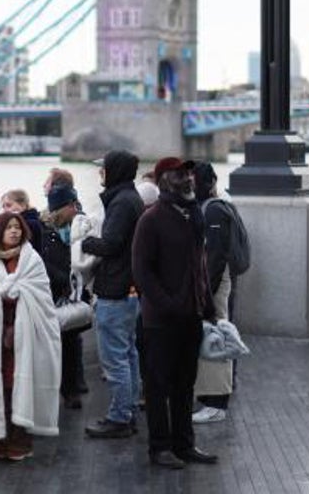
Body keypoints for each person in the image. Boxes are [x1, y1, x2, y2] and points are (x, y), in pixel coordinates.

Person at [132, 157, 217, 469]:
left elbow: (200, 265)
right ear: (164, 180)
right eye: (180, 174)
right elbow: (142, 271)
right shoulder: (151, 219)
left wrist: (206, 304)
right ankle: (160, 447)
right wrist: (167, 304)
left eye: (189, 173)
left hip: (191, 316)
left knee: (185, 384)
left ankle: (184, 444)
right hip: (161, 321)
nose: (188, 179)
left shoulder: (193, 215)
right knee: (158, 386)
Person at [0, 212, 62, 462]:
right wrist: (0, 292)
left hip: (25, 339)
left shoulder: (32, 260)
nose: (14, 232)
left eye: (17, 227)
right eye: (9, 228)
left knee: (19, 385)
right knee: (1, 387)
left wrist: (17, 291)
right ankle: (1, 439)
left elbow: (41, 296)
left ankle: (20, 440)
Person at [82, 150, 145, 439]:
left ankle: (119, 418)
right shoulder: (132, 199)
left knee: (115, 358)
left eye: (103, 169)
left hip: (116, 289)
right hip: (130, 289)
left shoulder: (120, 203)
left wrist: (85, 241)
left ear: (114, 171)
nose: (100, 174)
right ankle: (128, 409)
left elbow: (111, 244)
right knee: (128, 353)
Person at [191, 161, 247, 423]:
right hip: (211, 283)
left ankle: (216, 403)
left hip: (213, 285)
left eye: (194, 180)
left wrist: (204, 296)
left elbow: (215, 258)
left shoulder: (214, 212)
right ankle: (209, 398)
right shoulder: (211, 208)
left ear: (208, 182)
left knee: (215, 339)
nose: (190, 185)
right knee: (211, 339)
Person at [36, 185, 85, 410]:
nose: (75, 209)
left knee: (72, 342)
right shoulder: (43, 231)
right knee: (51, 345)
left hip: (71, 293)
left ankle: (71, 389)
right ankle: (52, 389)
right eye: (71, 205)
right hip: (51, 293)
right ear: (60, 208)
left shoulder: (79, 225)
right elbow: (40, 262)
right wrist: (62, 279)